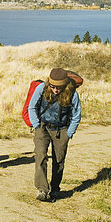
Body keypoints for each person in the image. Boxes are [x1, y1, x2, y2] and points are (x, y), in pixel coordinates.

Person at [28, 68, 81, 201]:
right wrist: (36, 126)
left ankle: (55, 188)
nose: (55, 90)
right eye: (52, 87)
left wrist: (69, 133)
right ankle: (42, 189)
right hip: (43, 128)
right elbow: (32, 107)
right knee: (40, 155)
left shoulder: (72, 94)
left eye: (59, 88)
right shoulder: (41, 88)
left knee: (59, 160)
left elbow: (76, 115)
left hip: (62, 130)